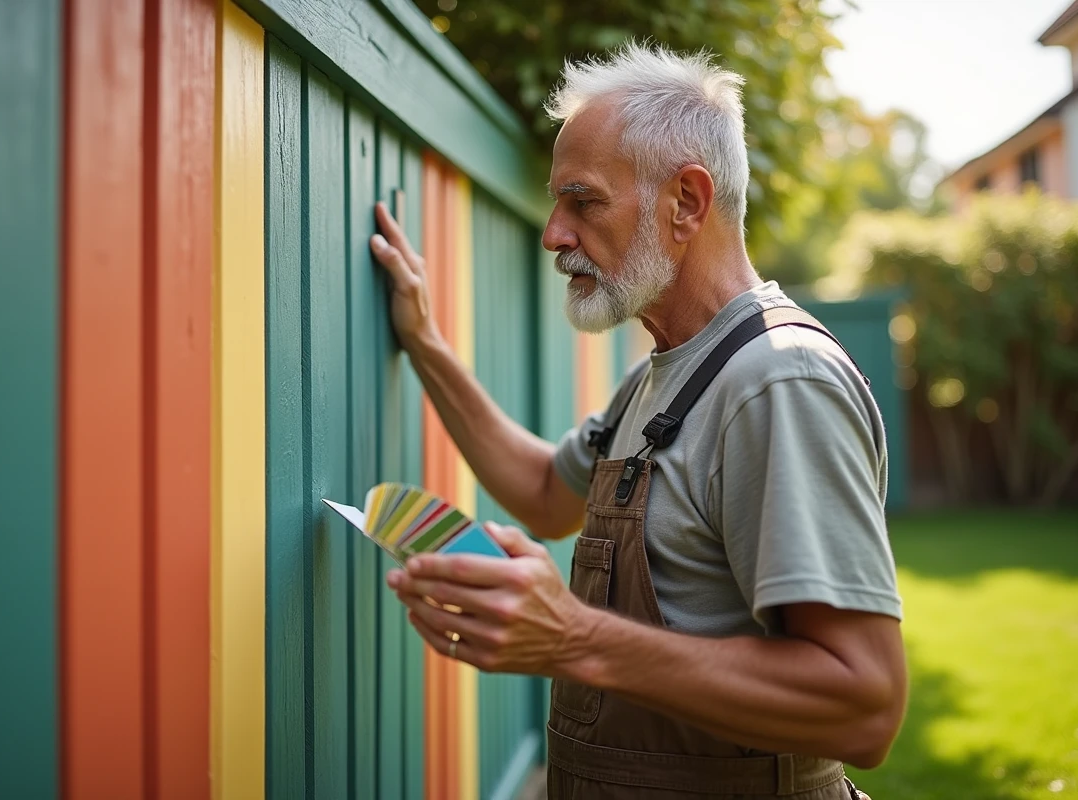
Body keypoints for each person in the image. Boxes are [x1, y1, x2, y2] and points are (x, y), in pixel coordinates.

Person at [369, 41, 903, 799]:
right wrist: (423, 342)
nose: (554, 233)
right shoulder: (661, 378)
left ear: (686, 201)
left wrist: (574, 637)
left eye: (582, 201)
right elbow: (541, 493)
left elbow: (865, 705)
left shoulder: (778, 380)